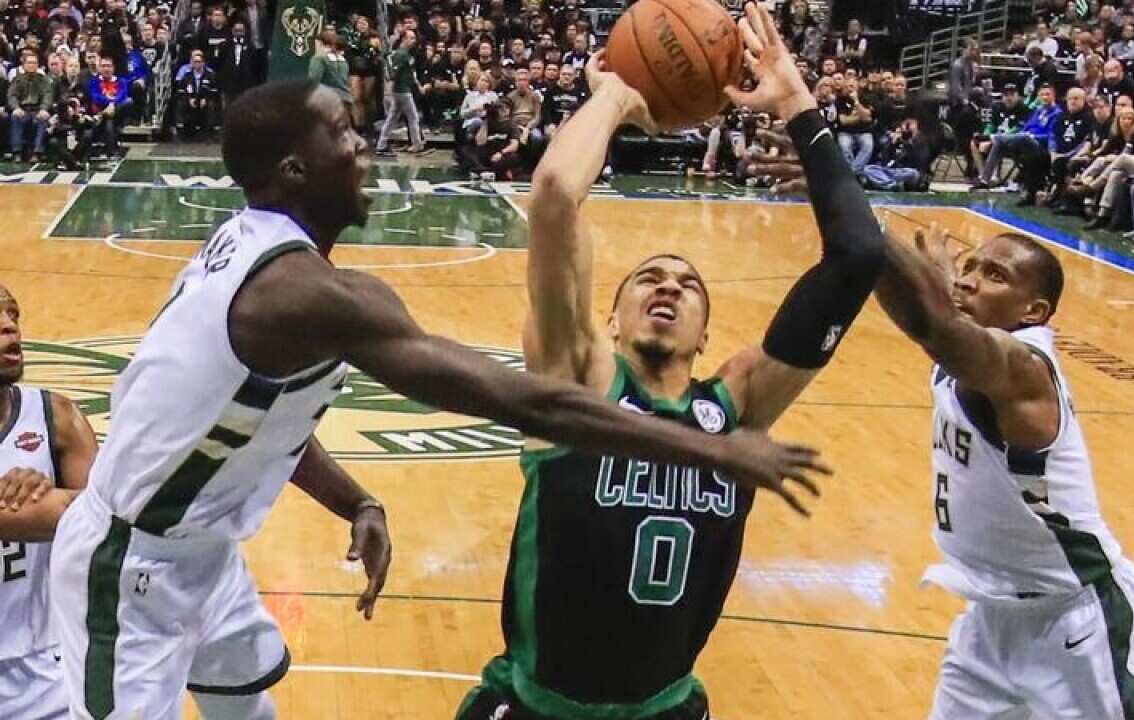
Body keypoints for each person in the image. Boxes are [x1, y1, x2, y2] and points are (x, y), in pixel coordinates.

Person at [48, 78, 828, 720]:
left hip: (203, 553)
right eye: (343, 132)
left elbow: (252, 422)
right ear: (293, 168)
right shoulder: (298, 294)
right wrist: (712, 447)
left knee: (246, 708)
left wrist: (355, 499)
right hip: (129, 566)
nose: (364, 145)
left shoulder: (266, 255)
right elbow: (529, 404)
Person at [456, 6, 885, 718]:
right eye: (649, 278)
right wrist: (616, 100)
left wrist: (797, 104)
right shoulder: (577, 379)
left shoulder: (737, 402)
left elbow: (859, 255)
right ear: (610, 323)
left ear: (706, 337)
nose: (669, 287)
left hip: (669, 708)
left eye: (689, 285)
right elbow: (558, 195)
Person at [746, 162, 1134, 720]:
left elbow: (937, 326)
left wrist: (843, 193)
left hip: (1077, 620)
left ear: (1034, 312)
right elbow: (906, 283)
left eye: (995, 276)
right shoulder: (968, 338)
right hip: (990, 618)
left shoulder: (1022, 368)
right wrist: (860, 213)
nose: (971, 280)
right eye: (970, 267)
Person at [0, 286, 98, 720]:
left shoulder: (56, 418)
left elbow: (109, 525)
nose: (9, 326)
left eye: (13, 314)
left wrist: (49, 495)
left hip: (41, 667)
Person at [376, 29, 425, 156]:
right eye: (411, 38)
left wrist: (418, 85)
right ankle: (417, 144)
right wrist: (388, 90)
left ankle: (381, 144)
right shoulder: (401, 54)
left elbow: (411, 72)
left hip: (403, 89)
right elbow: (392, 73)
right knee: (413, 117)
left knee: (392, 117)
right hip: (402, 90)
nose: (413, 41)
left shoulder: (407, 54)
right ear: (404, 39)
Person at [6, 52, 52, 161]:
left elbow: (48, 95)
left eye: (34, 63)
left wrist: (44, 109)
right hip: (22, 109)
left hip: (37, 110)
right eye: (29, 63)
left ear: (37, 65)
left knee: (43, 118)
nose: (32, 65)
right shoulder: (17, 79)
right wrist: (16, 107)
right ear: (24, 65)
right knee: (15, 117)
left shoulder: (43, 80)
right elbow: (12, 96)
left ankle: (37, 152)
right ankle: (17, 152)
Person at [175, 49, 219, 139]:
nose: (197, 64)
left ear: (203, 63)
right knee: (180, 104)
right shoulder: (187, 75)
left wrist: (205, 99)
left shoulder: (209, 75)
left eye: (199, 62)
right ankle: (181, 128)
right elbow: (181, 89)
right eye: (195, 62)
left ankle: (210, 130)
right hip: (190, 98)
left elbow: (214, 90)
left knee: (211, 105)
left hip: (205, 99)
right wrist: (189, 98)